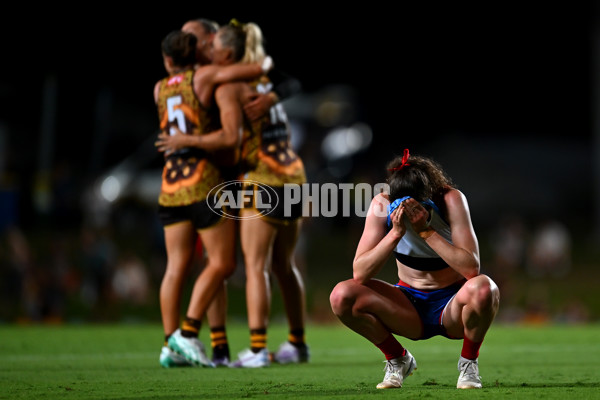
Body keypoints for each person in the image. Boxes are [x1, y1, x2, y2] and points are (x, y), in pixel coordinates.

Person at [156, 20, 309, 368]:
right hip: (294, 174)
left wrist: (190, 142)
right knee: (282, 264)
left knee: (247, 266)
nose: (197, 50)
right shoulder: (261, 80)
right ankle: (296, 343)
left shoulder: (215, 83)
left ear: (217, 46)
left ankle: (242, 347)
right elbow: (288, 81)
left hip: (256, 176)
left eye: (198, 41)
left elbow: (230, 138)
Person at [329, 149, 500, 389]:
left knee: (484, 288)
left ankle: (469, 364)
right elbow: (361, 272)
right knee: (341, 295)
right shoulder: (382, 204)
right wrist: (395, 233)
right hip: (409, 305)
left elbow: (471, 268)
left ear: (429, 195)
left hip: (452, 307)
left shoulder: (450, 200)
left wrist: (426, 232)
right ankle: (398, 359)